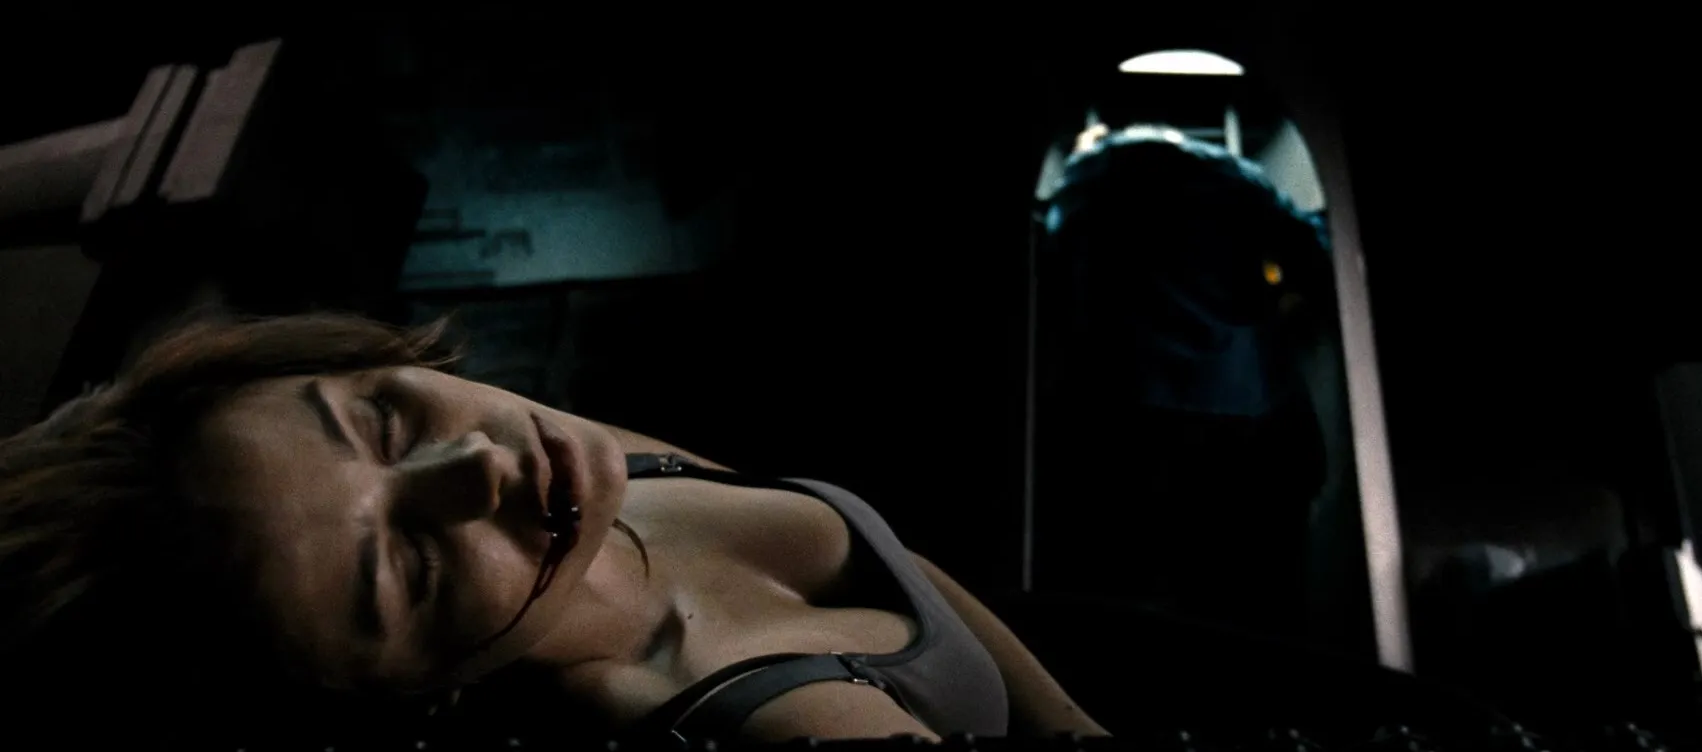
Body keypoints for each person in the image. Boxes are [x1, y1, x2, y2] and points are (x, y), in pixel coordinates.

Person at [0, 312, 1105, 747]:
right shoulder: (753, 729)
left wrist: (1079, 725)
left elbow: (903, 561)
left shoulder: (587, 474)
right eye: (406, 568)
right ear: (404, 692)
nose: (477, 469)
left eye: (380, 421)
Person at [1032, 123, 1338, 637]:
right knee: (1247, 594)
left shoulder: (1085, 178)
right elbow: (1317, 255)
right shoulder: (1232, 173)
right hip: (1242, 412)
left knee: (1126, 592)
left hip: (1119, 415)